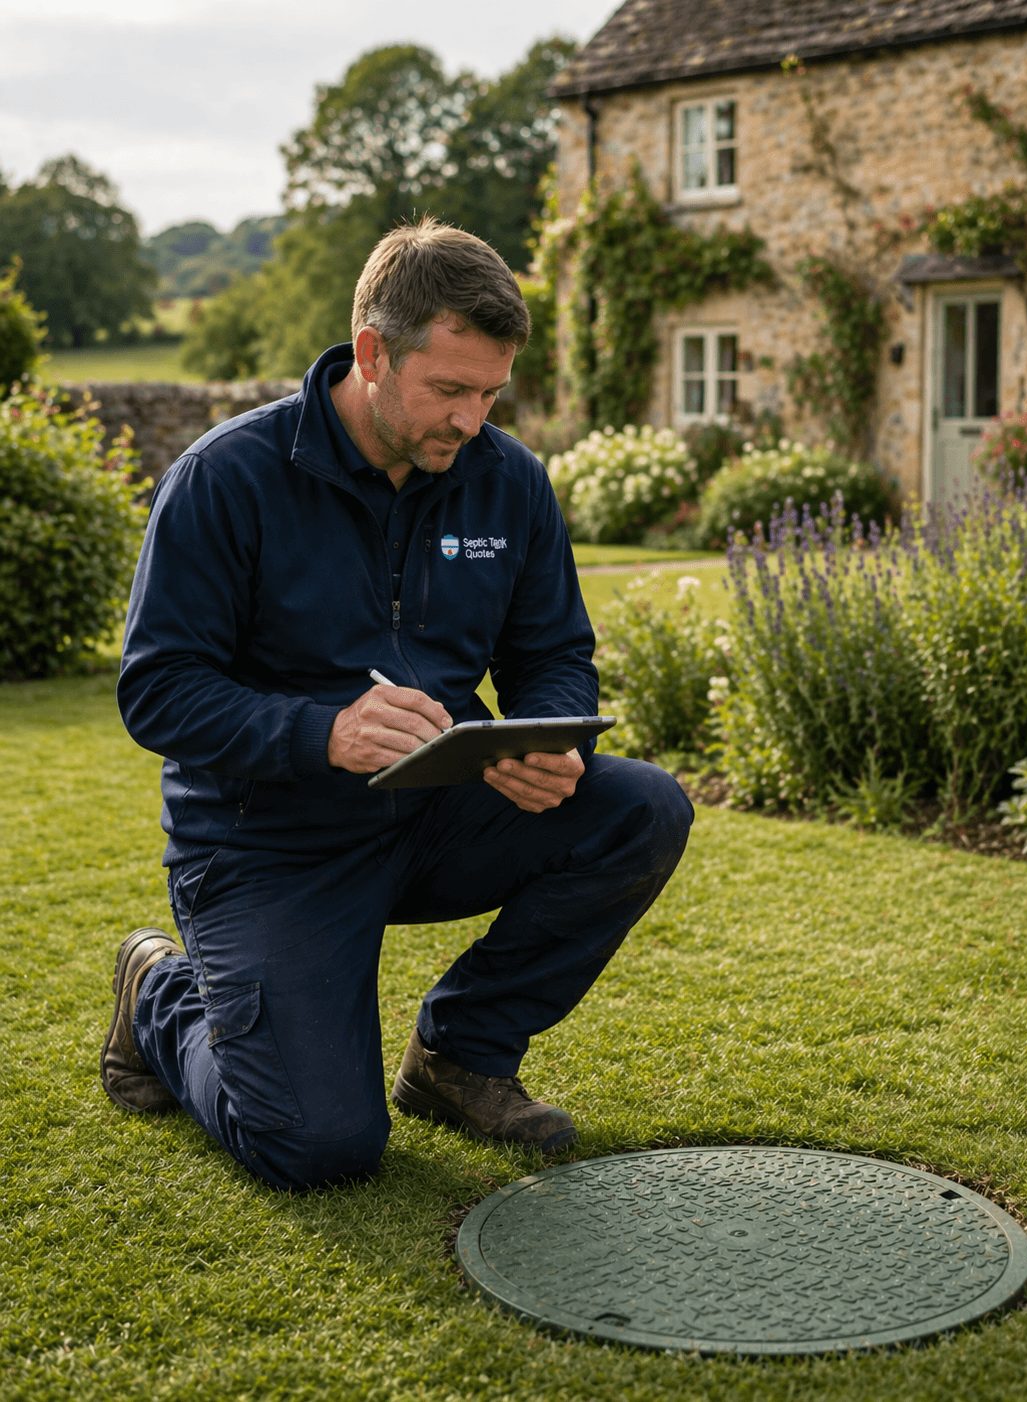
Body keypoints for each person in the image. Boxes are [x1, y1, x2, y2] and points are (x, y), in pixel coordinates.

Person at [101, 217, 694, 1191]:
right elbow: (158, 691)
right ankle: (160, 990)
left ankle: (461, 1057)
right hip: (264, 845)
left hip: (433, 816)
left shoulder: (508, 484)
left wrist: (545, 735)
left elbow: (554, 653)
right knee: (319, 1145)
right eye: (450, 390)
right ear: (372, 353)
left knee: (643, 808)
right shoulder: (225, 480)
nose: (473, 420)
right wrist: (322, 732)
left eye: (492, 391)